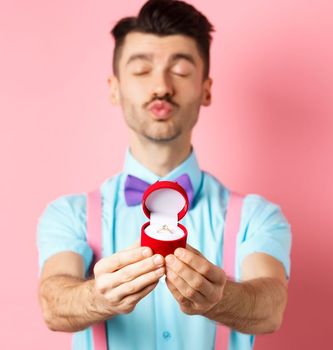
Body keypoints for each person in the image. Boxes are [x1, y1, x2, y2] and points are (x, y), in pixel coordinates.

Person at [36, 1, 292, 349]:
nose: (161, 86)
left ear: (206, 89)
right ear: (114, 88)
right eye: (141, 70)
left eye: (182, 71)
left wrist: (220, 297)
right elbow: (53, 303)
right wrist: (98, 297)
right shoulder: (69, 214)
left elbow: (270, 308)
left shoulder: (257, 216)